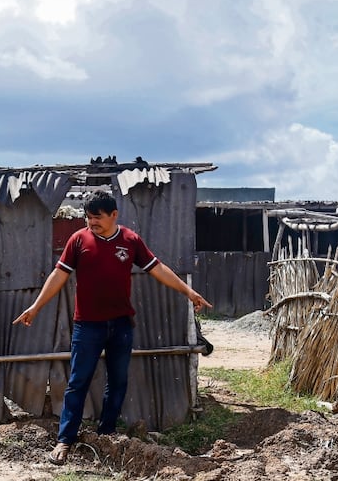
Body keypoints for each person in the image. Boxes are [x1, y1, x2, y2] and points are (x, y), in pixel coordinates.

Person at [13, 190, 212, 465]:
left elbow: (158, 268)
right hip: (87, 326)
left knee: (118, 382)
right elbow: (59, 275)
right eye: (88, 217)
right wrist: (36, 306)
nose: (91, 223)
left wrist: (188, 291)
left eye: (97, 218)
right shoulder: (78, 240)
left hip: (121, 325)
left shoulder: (130, 240)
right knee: (77, 382)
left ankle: (106, 433)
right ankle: (65, 440)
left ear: (114, 215)